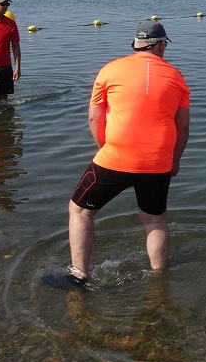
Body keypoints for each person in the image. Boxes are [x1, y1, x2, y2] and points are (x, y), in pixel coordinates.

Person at [64, 20, 190, 287]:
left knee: (80, 211)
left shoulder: (110, 70)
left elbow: (93, 119)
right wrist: (174, 162)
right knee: (154, 219)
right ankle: (158, 281)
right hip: (158, 161)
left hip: (115, 158)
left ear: (137, 44)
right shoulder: (176, 77)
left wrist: (106, 149)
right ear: (161, 45)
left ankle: (79, 275)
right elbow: (183, 127)